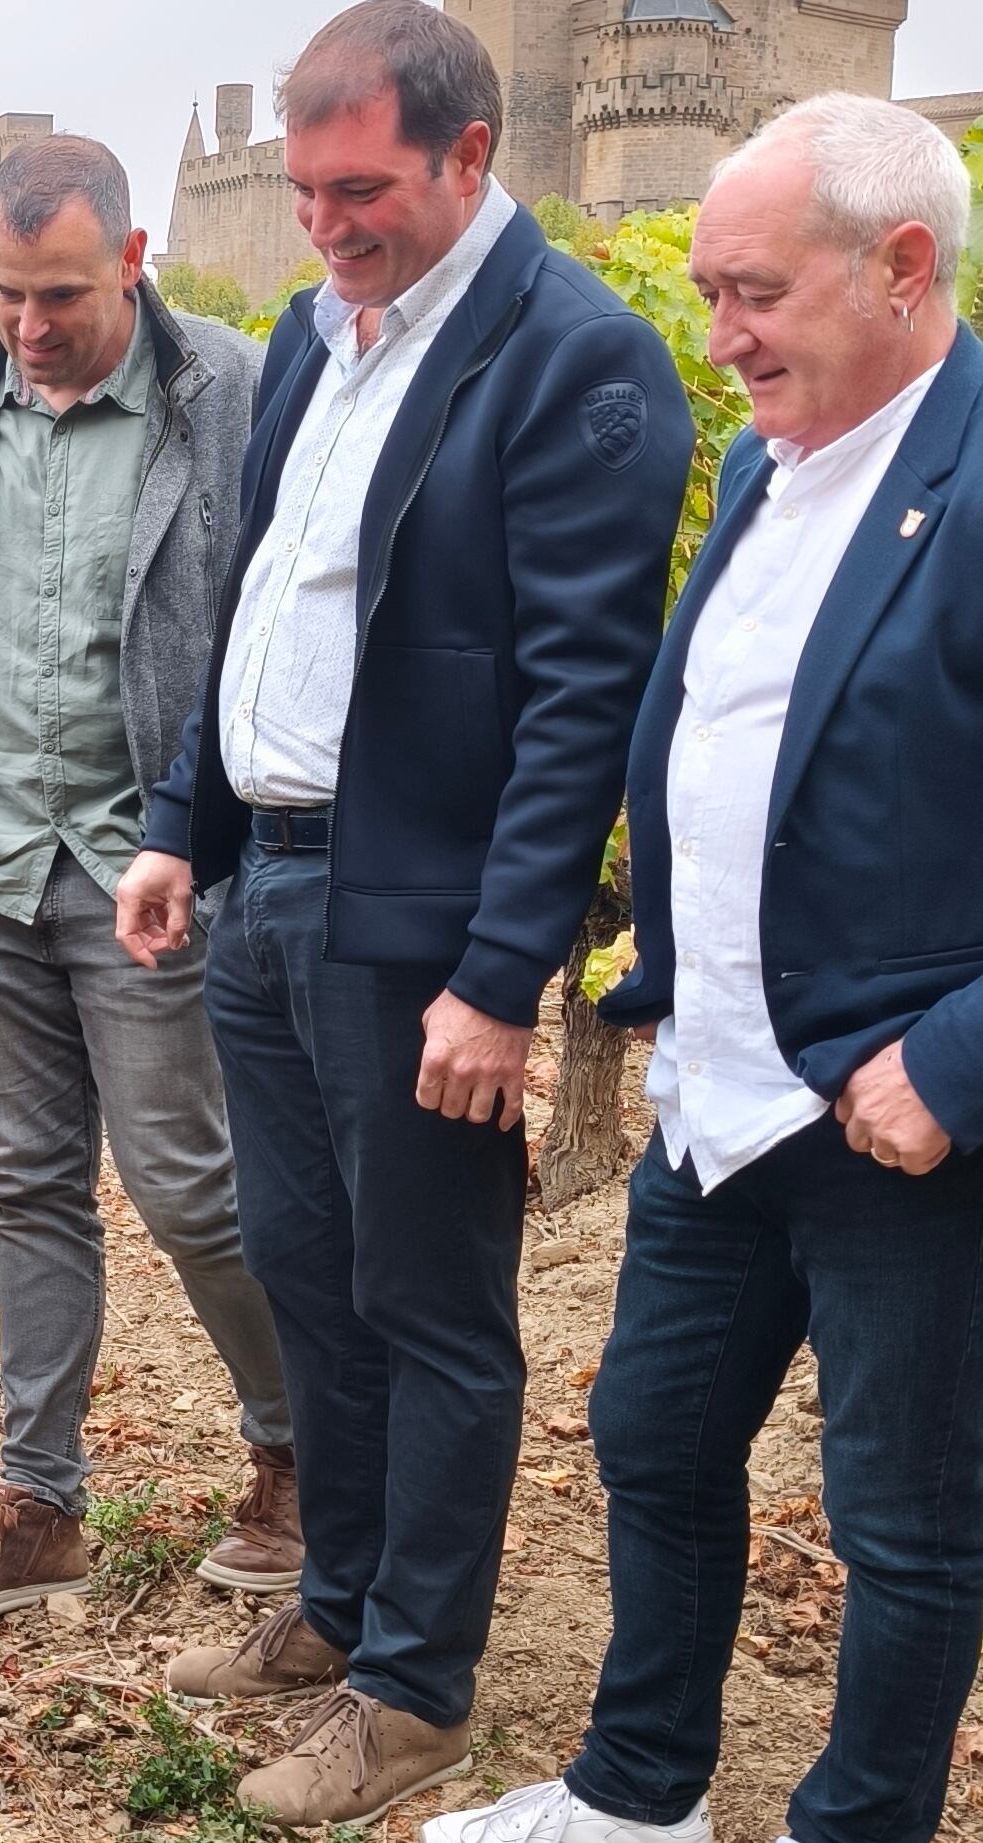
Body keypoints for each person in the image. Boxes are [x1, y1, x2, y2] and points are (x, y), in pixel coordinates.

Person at [115, 0, 691, 1821]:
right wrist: (177, 827)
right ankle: (339, 1605)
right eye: (299, 190)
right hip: (269, 887)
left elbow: (575, 702)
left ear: (468, 154)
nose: (322, 223)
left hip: (419, 925)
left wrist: (499, 970)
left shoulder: (572, 358)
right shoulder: (315, 336)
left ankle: (416, 1688)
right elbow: (261, 606)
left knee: (432, 1305)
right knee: (309, 1276)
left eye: (358, 188)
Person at [428, 95, 983, 1843]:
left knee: (901, 1521)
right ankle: (634, 1794)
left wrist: (955, 1062)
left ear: (901, 271)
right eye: (704, 290)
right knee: (655, 1440)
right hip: (717, 1095)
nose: (716, 334)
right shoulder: (763, 462)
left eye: (751, 293)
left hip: (892, 1114)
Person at [0, 132, 302, 1617]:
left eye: (57, 296)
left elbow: (266, 626)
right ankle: (39, 1502)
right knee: (27, 1180)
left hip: (147, 872)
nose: (29, 329)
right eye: (3, 296)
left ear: (130, 262)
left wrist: (212, 830)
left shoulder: (225, 391)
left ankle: (301, 1454)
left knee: (191, 1183)